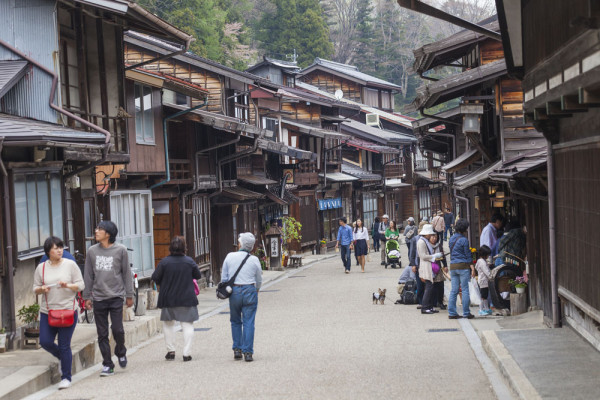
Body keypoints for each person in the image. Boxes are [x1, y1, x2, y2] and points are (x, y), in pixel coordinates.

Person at [83, 220, 134, 377]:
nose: (96, 231)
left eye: (100, 229)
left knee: (118, 329)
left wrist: (129, 294)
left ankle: (121, 350)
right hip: (98, 297)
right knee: (102, 333)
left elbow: (126, 273)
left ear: (109, 234)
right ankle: (107, 364)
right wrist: (86, 296)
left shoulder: (121, 250)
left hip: (116, 295)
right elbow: (88, 275)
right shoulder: (92, 251)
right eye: (97, 228)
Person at [33, 237, 84, 390]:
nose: (60, 250)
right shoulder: (41, 268)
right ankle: (63, 358)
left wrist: (67, 285)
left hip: (68, 310)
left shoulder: (70, 265)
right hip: (48, 311)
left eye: (61, 247)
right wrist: (42, 289)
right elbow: (34, 288)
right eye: (56, 248)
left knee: (64, 345)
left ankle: (66, 377)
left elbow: (81, 285)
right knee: (45, 342)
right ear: (48, 251)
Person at [152, 236, 201, 362]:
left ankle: (171, 351)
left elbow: (155, 277)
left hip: (168, 298)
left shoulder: (164, 262)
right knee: (187, 324)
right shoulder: (189, 261)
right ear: (184, 247)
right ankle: (186, 353)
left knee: (168, 324)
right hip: (186, 298)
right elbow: (198, 275)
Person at [221, 232, 262, 362]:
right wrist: (257, 289)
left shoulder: (230, 256)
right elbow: (259, 279)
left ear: (240, 244)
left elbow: (224, 278)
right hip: (250, 289)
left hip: (234, 291)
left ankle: (237, 349)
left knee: (235, 320)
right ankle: (248, 352)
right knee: (249, 321)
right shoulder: (254, 259)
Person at [448, 218, 476, 319]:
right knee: (464, 290)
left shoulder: (451, 239)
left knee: (454, 290)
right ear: (464, 229)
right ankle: (466, 312)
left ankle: (452, 312)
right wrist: (472, 267)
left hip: (453, 266)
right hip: (463, 266)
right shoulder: (464, 240)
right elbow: (468, 255)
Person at [416, 225, 442, 314]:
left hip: (428, 265)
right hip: (426, 265)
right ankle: (425, 307)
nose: (431, 235)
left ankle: (429, 307)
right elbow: (422, 256)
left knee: (430, 288)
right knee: (428, 288)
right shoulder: (421, 242)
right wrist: (434, 256)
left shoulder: (424, 241)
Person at [476, 245, 493, 316]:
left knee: (485, 295)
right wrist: (491, 276)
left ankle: (486, 308)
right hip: (484, 281)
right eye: (487, 255)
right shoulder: (482, 262)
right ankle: (481, 309)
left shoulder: (480, 261)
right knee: (483, 296)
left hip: (483, 280)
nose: (488, 256)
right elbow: (486, 271)